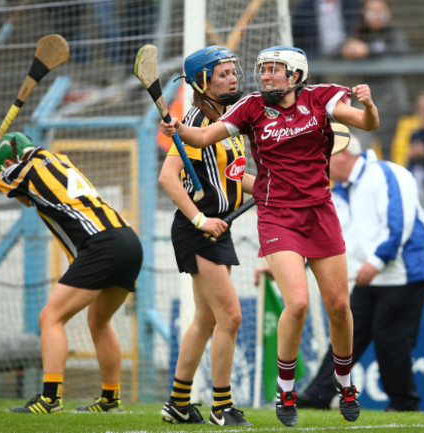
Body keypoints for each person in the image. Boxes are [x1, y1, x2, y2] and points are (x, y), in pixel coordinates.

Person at [160, 45, 379, 427]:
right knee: (291, 304)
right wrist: (177, 128)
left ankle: (344, 382)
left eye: (273, 70)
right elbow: (196, 142)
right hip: (274, 218)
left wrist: (369, 105)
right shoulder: (248, 109)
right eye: (262, 70)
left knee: (339, 306)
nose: (262, 77)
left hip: (318, 214)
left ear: (295, 75)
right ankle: (280, 390)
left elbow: (366, 123)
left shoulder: (320, 98)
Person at [0, 128, 143, 414]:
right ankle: (110, 399)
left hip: (101, 245)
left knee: (50, 318)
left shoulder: (23, 169)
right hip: (128, 241)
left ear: (9, 164)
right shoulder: (58, 160)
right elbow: (26, 199)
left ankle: (50, 399)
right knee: (99, 321)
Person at [295, 133, 424, 412]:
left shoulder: (387, 173)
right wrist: (291, 264)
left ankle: (404, 403)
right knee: (347, 333)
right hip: (370, 276)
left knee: (390, 339)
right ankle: (319, 394)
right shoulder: (336, 192)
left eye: (323, 157)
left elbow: (399, 222)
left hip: (404, 272)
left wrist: (377, 260)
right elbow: (322, 239)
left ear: (343, 155)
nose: (319, 164)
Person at [157, 45, 253, 426]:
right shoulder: (195, 119)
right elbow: (167, 178)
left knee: (206, 319)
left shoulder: (226, 120)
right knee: (230, 317)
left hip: (216, 226)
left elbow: (233, 176)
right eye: (223, 74)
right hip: (199, 228)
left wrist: (268, 186)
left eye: (233, 72)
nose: (232, 78)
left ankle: (177, 404)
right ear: (202, 81)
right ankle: (222, 407)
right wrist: (199, 220)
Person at [340, 0, 409, 160]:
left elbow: (400, 51)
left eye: (381, 11)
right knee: (362, 147)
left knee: (388, 149)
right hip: (363, 99)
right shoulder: (357, 34)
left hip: (390, 100)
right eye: (371, 12)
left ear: (389, 13)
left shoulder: (394, 33)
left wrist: (367, 51)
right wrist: (346, 51)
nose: (376, 16)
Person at [291, 0, 360, 60]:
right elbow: (297, 33)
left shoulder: (351, 3)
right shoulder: (306, 4)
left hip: (345, 54)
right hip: (314, 57)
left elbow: (359, 28)